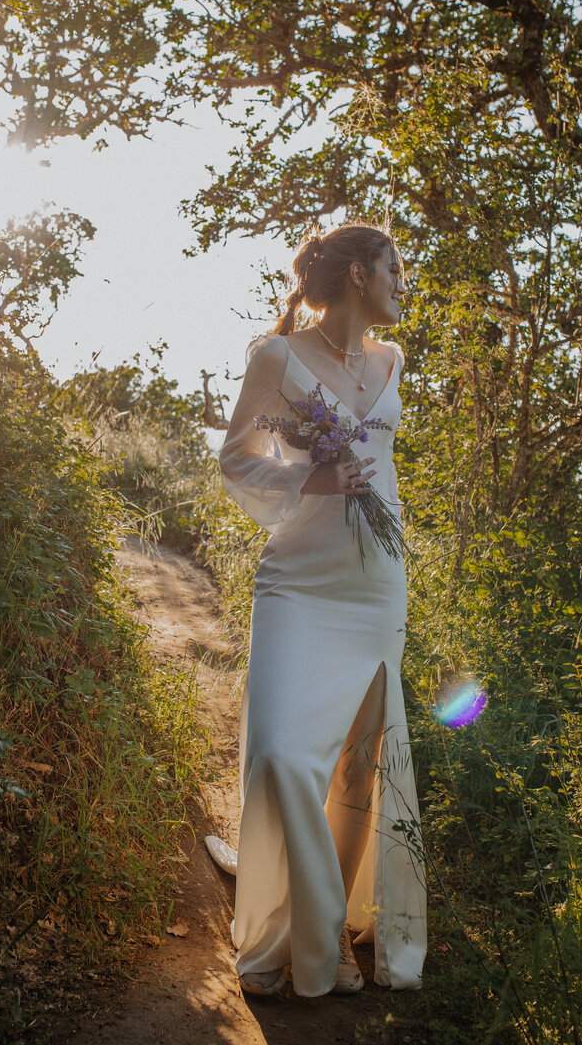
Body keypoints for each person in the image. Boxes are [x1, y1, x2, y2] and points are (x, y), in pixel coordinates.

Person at [210, 223, 427, 998]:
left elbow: (388, 467)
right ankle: (282, 920)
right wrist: (309, 483)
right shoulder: (276, 357)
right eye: (396, 268)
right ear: (360, 273)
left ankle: (329, 930)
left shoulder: (393, 360)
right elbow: (239, 456)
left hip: (376, 583)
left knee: (360, 768)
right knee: (278, 753)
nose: (406, 282)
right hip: (299, 582)